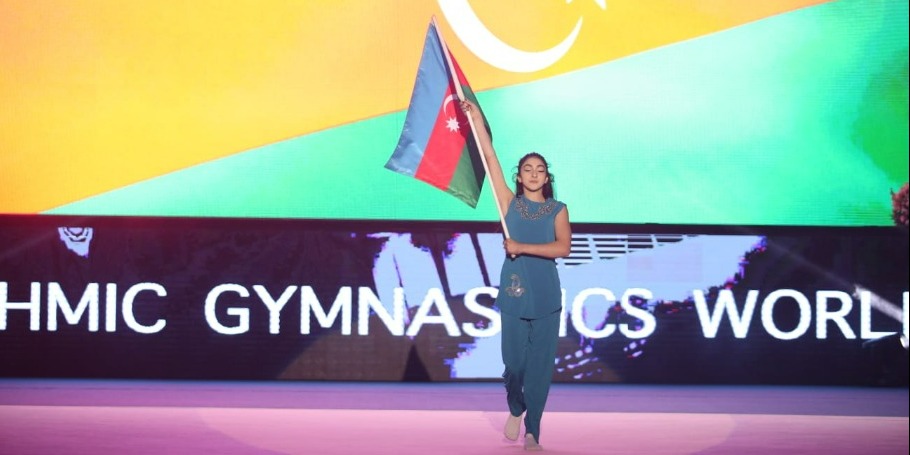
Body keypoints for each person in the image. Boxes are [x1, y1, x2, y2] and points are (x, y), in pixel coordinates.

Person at [461, 99, 571, 451]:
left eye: (540, 169)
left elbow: (563, 248)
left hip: (547, 297)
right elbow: (489, 156)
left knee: (540, 369)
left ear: (547, 177)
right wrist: (476, 118)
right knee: (515, 364)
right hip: (514, 293)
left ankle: (533, 431)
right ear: (519, 176)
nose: (534, 173)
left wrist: (521, 246)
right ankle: (515, 405)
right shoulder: (509, 203)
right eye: (527, 169)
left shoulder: (557, 209)